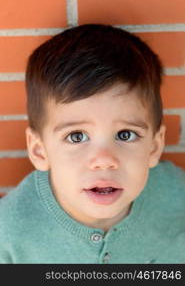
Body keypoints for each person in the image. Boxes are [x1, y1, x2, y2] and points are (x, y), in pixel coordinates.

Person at [0, 24, 185, 264]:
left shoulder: (177, 197)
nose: (104, 159)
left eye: (125, 135)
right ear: (39, 150)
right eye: (77, 136)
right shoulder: (10, 235)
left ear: (154, 146)